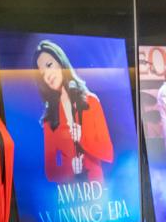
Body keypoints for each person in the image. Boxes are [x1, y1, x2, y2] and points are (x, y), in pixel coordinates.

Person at [35, 40, 114, 183]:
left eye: (49, 65)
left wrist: (82, 138)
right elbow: (50, 172)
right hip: (70, 195)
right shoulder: (49, 119)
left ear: (61, 62)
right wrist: (68, 168)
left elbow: (108, 153)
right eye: (42, 73)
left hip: (97, 191)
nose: (47, 75)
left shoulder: (91, 101)